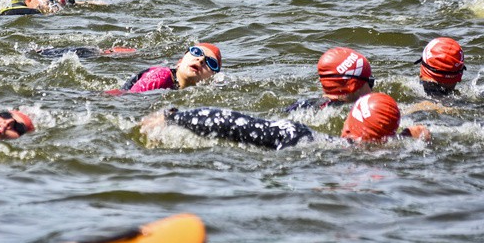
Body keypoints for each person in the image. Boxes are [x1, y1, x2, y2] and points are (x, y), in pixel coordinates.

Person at [145, 93, 429, 150]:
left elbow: (229, 121)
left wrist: (174, 117)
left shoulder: (302, 136)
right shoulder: (386, 150)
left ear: (348, 122)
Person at [286, 47, 374, 112]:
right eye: (371, 81)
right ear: (353, 85)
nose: (372, 89)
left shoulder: (300, 105)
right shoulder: (353, 112)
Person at [112, 43, 221, 94]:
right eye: (196, 52)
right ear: (180, 62)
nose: (201, 59)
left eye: (210, 62)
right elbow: (128, 100)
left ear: (212, 78)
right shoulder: (160, 77)